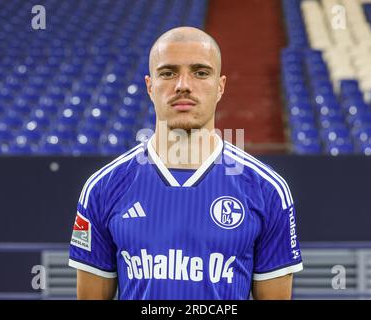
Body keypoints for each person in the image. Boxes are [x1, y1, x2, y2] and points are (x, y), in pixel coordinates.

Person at [69, 26, 303, 300]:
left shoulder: (268, 190)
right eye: (168, 73)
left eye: (200, 72)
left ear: (220, 86)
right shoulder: (102, 188)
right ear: (150, 86)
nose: (183, 85)